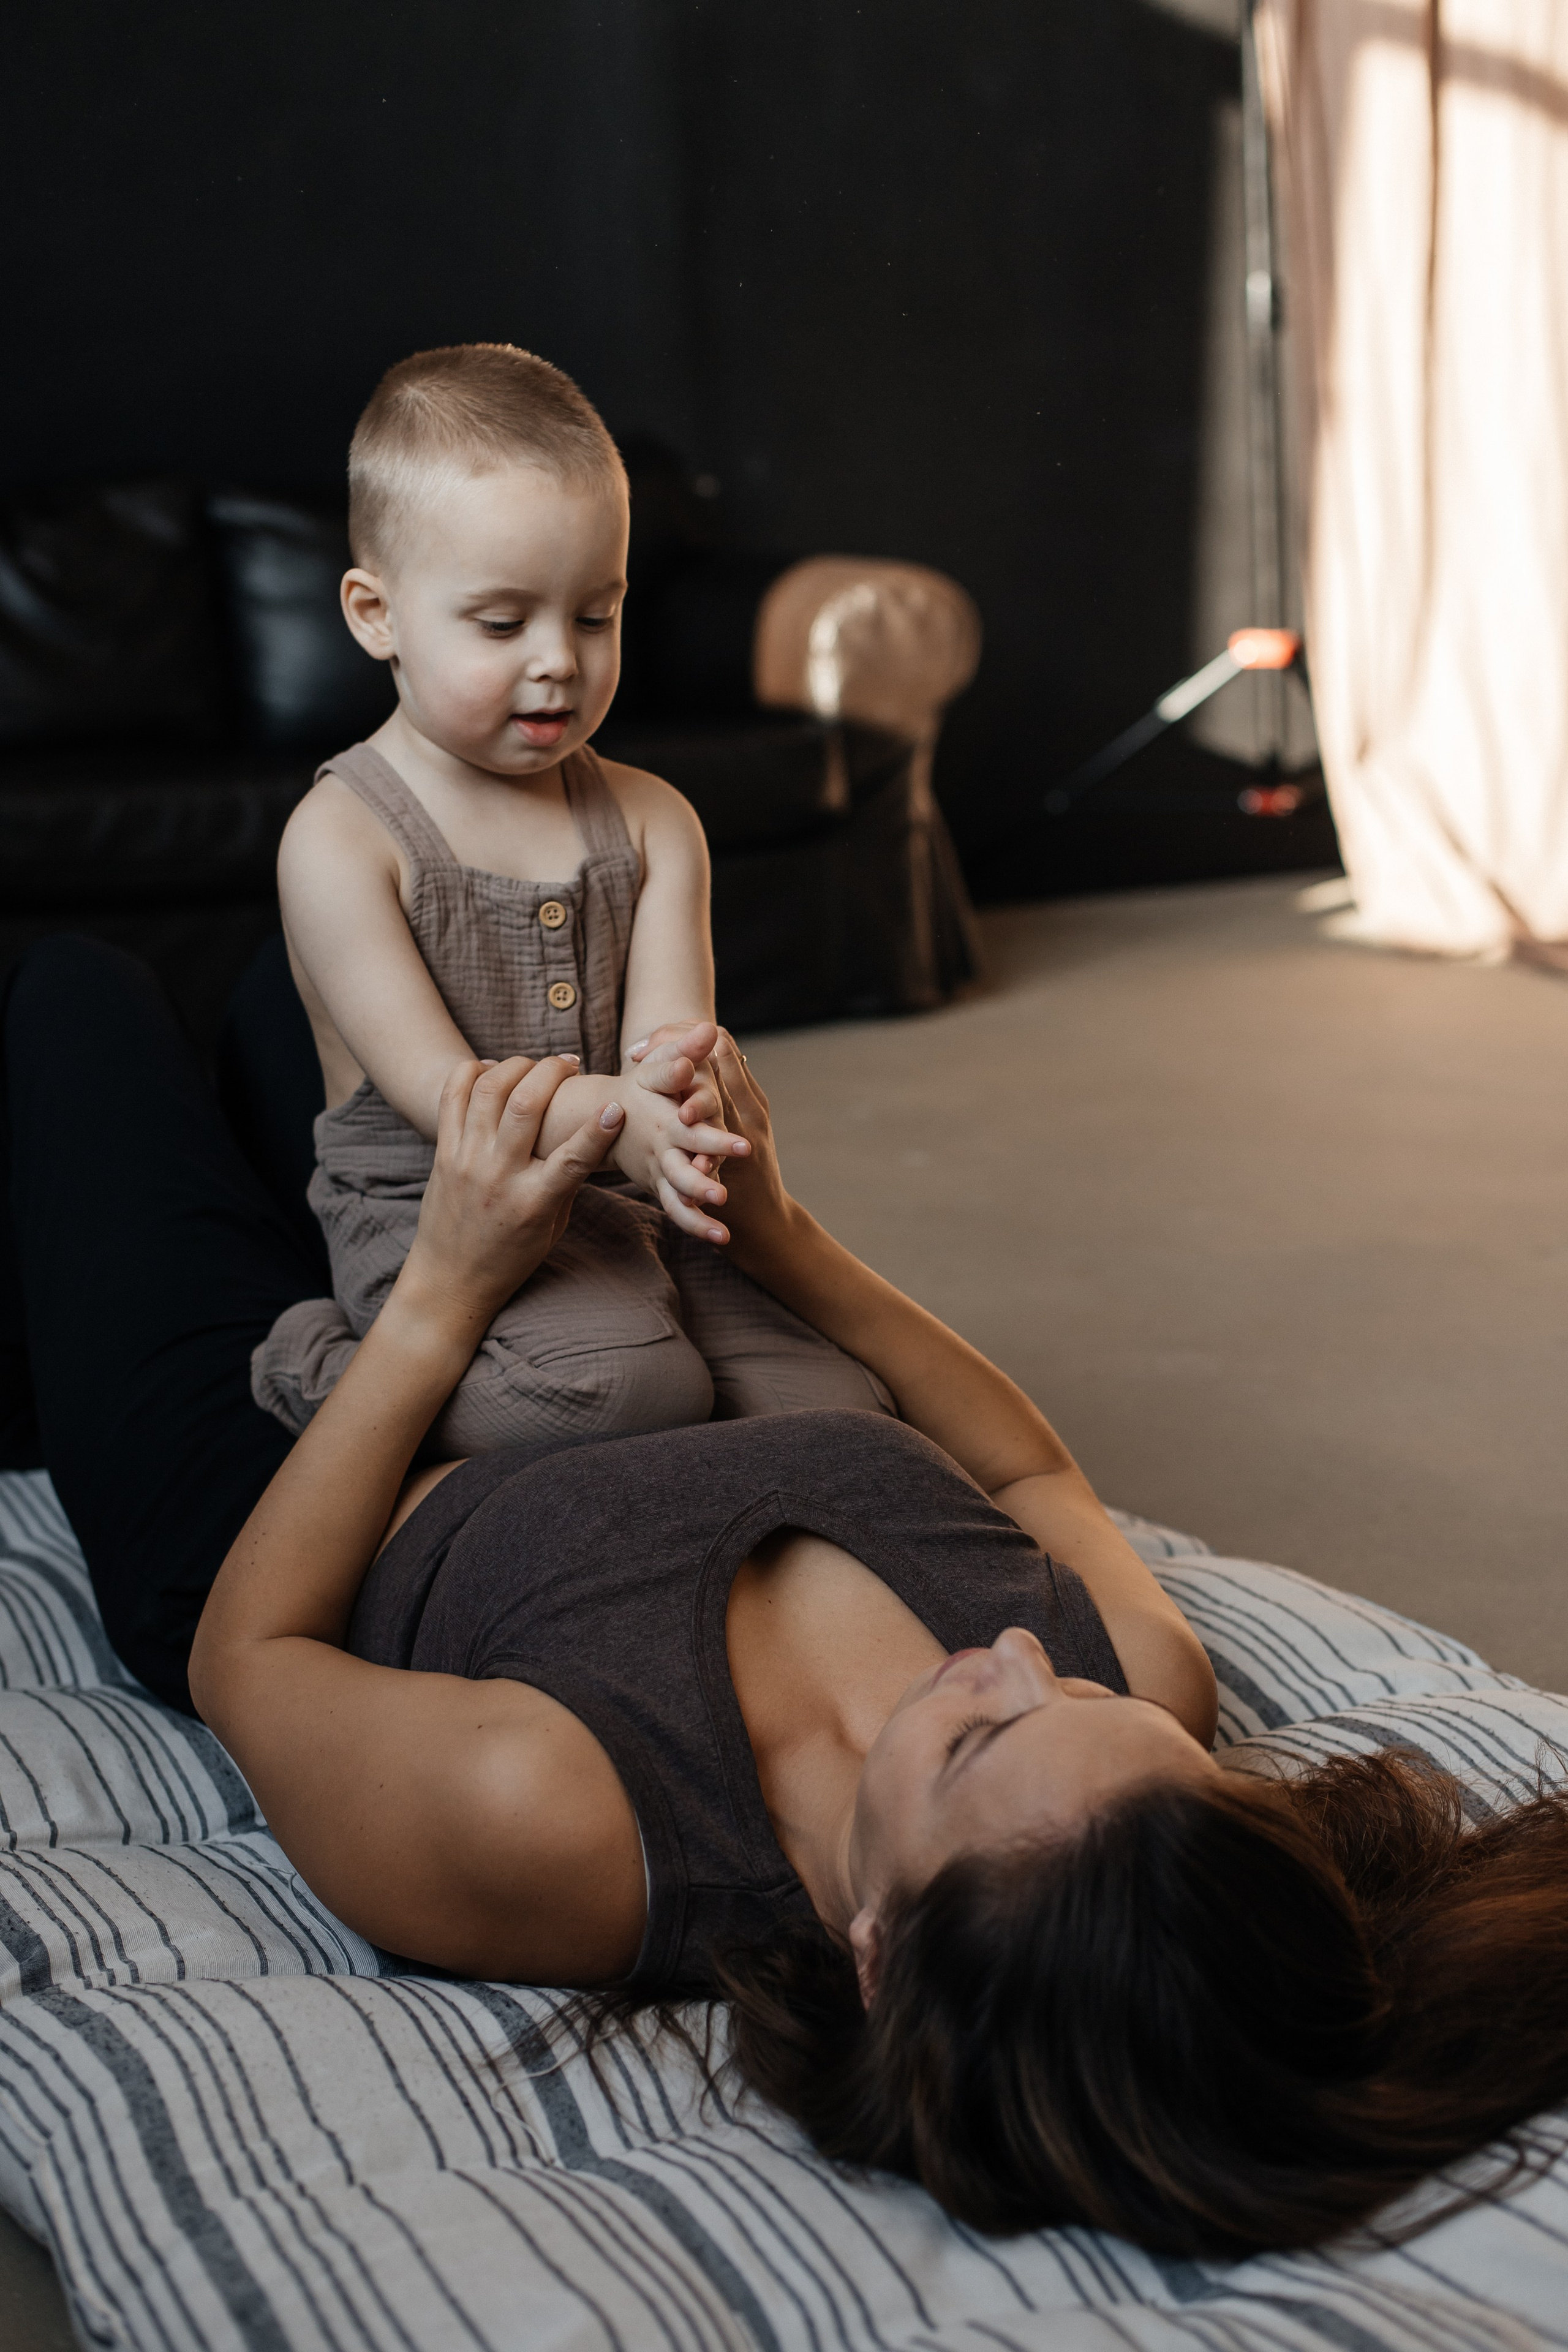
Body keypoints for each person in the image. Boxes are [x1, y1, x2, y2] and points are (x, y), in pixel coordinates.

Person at [7, 937, 1568, 2260]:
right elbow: (1027, 1476)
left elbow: (250, 1654)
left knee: (83, 1001)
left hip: (292, 1480)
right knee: (334, 971)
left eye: (973, 1741)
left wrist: (444, 1292)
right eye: (1078, 1698)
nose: (1018, 1656)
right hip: (583, 1334)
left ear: (881, 1946)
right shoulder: (1142, 1694)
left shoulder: (561, 1822)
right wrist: (778, 1234)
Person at [251, 340, 891, 1457]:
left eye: (595, 617)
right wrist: (623, 1122)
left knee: (840, 1409)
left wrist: (679, 1119)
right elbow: (440, 1092)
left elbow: (666, 1044)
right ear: (374, 614)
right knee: (622, 1393)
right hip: (441, 1218)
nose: (559, 661)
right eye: (502, 625)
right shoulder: (341, 839)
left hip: (631, 1195)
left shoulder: (651, 821)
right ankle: (331, 1368)